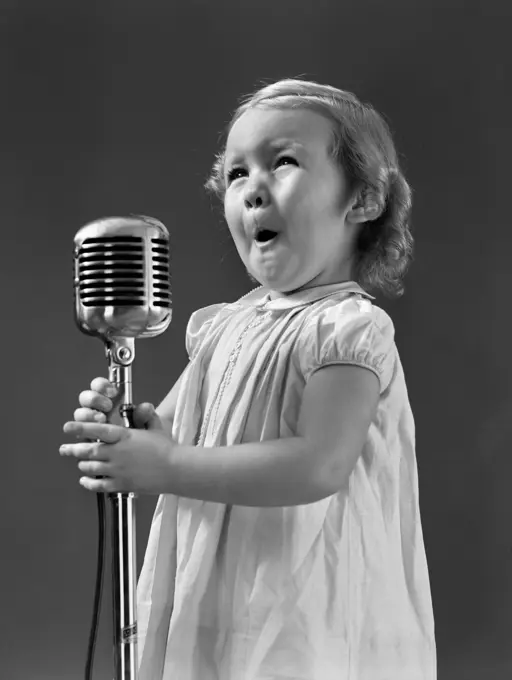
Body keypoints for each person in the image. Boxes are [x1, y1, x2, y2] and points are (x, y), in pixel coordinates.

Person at [60, 78, 436, 679]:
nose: (253, 189)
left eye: (282, 162)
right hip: (220, 592)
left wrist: (165, 465)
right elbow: (178, 436)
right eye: (236, 174)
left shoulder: (348, 330)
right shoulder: (227, 327)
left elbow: (318, 464)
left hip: (305, 599)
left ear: (362, 199)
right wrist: (129, 436)